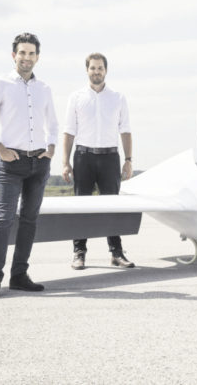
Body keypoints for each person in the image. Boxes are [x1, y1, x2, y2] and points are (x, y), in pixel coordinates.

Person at [0, 32, 58, 298]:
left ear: (37, 57)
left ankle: (19, 276)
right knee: (4, 219)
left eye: (31, 53)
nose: (27, 57)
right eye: (22, 53)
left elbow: (53, 124)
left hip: (39, 163)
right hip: (10, 164)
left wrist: (51, 148)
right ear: (14, 55)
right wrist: (0, 149)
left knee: (29, 221)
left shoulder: (44, 88)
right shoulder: (0, 84)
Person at [62, 53, 135, 270]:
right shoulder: (76, 97)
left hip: (110, 158)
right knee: (81, 207)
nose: (96, 71)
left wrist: (128, 160)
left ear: (106, 70)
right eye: (93, 68)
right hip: (83, 157)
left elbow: (126, 130)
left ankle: (116, 253)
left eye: (100, 68)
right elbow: (68, 132)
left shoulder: (118, 98)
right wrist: (65, 162)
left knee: (112, 207)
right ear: (87, 70)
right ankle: (79, 253)